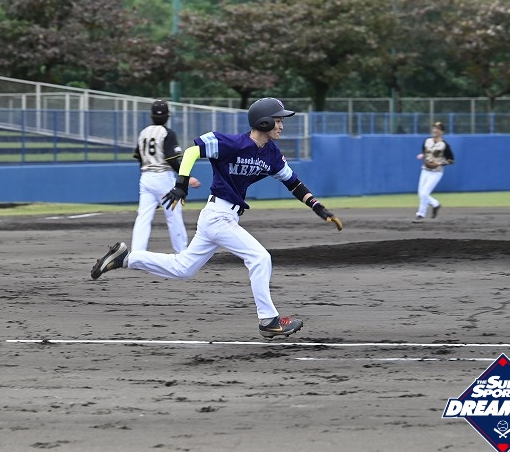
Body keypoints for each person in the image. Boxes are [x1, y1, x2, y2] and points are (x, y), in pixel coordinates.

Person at [90, 98, 343, 339]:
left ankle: (126, 258)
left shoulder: (272, 154)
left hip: (222, 217)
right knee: (260, 258)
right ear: (263, 122)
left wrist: (318, 207)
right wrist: (181, 183)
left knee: (183, 268)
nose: (281, 126)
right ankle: (268, 320)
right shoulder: (231, 143)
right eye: (277, 120)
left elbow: (293, 183)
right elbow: (192, 152)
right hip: (218, 216)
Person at [131, 100, 201, 253]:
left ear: (151, 116)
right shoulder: (168, 133)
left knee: (143, 217)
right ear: (167, 116)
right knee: (174, 216)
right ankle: (181, 252)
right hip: (163, 177)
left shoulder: (143, 133)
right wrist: (187, 178)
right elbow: (172, 160)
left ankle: (137, 252)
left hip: (146, 177)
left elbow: (140, 158)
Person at [413, 121, 455, 223]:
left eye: (438, 129)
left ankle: (422, 214)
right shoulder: (427, 141)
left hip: (436, 172)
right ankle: (434, 205)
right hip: (425, 169)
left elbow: (451, 160)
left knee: (424, 193)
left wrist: (440, 163)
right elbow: (425, 152)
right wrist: (422, 155)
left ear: (442, 132)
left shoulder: (444, 145)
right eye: (434, 128)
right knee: (421, 193)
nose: (435, 130)